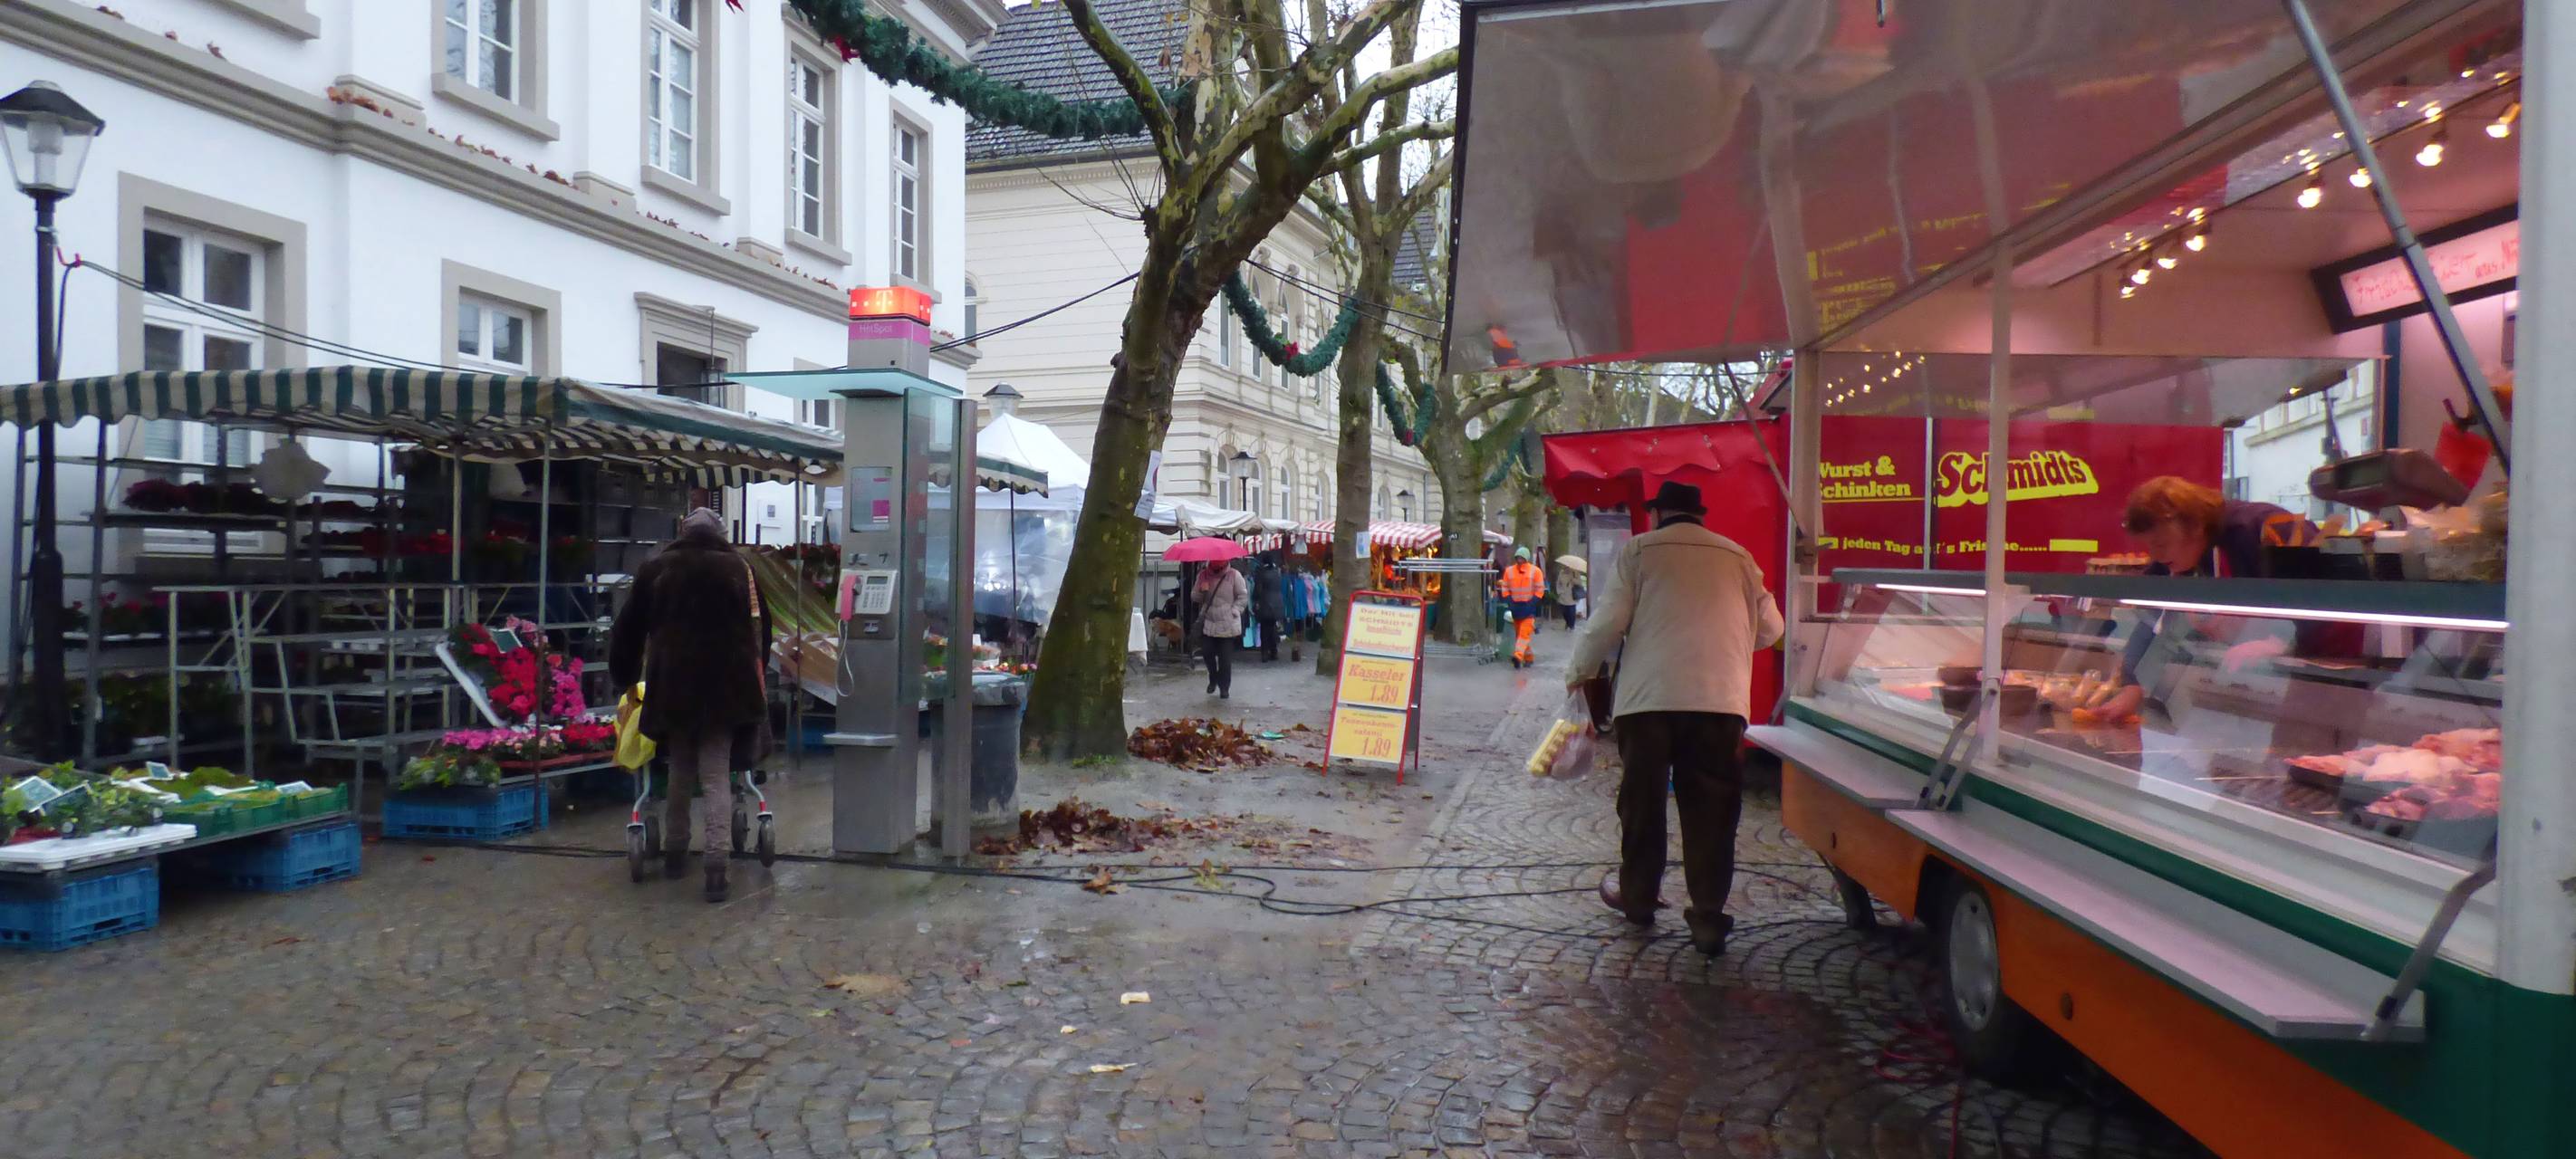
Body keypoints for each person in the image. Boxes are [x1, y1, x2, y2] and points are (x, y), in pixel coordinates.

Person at [1565, 482, 1783, 956]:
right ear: (1699, 514)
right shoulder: (1738, 557)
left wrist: (1578, 672)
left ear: (1658, 513)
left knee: (1642, 804)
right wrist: (1728, 644)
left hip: (1648, 703)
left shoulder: (1640, 552)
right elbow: (1773, 629)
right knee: (1714, 811)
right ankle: (1707, 916)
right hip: (1718, 703)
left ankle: (1639, 899)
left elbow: (1607, 622)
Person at [609, 507, 774, 903]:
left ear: (683, 531)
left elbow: (628, 629)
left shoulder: (656, 569)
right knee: (716, 773)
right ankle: (716, 864)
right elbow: (761, 628)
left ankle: (676, 852)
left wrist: (625, 676)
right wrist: (758, 673)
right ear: (720, 533)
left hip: (673, 685)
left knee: (680, 767)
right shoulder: (740, 569)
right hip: (728, 686)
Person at [2092, 476, 2328, 723]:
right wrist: (2133, 685)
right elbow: (2152, 615)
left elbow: (2322, 591)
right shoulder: (2182, 553)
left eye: (2160, 544)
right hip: (2250, 681)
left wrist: (2279, 640)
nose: (2156, 555)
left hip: (2323, 676)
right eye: (2150, 546)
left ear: (2195, 526)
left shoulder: (2260, 527)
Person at [1194, 559, 1249, 698]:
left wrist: (1235, 610)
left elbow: (1243, 596)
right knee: (1207, 653)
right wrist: (1202, 591)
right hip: (1209, 621)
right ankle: (1213, 677)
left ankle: (1224, 688)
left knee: (1225, 660)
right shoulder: (1203, 575)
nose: (1217, 564)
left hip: (1227, 623)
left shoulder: (1234, 575)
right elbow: (1194, 597)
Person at [1495, 547, 1548, 667]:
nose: (1519, 560)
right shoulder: (1509, 571)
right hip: (1515, 607)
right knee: (1520, 635)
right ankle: (1529, 657)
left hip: (1529, 607)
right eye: (1518, 558)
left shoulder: (1535, 571)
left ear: (1526, 558)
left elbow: (1540, 589)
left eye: (1522, 558)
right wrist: (1509, 601)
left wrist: (1533, 602)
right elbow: (1505, 587)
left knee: (1523, 634)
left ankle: (1518, 657)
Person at [1253, 553, 1288, 663]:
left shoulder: (1261, 573)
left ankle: (1265, 653)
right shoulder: (1277, 573)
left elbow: (1258, 591)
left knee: (1264, 629)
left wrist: (1255, 600)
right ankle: (1274, 651)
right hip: (1277, 604)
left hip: (1266, 604)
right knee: (1272, 628)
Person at [1553, 564, 1581, 631]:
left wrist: (1572, 579)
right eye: (1565, 566)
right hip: (1563, 595)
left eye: (1568, 566)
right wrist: (1559, 591)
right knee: (1564, 611)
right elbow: (1558, 583)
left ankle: (1571, 625)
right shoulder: (1561, 572)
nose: (1566, 567)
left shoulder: (1575, 572)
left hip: (1572, 595)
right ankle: (1568, 622)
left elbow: (1579, 583)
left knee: (1571, 611)